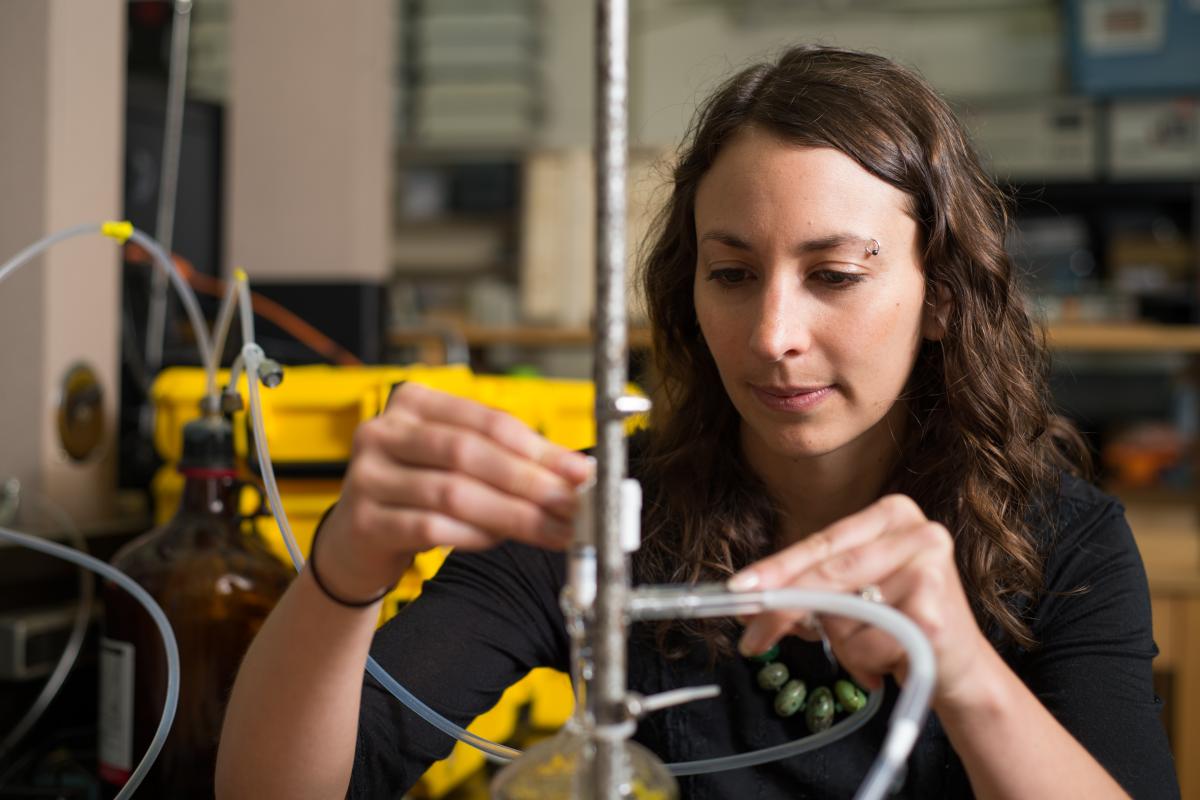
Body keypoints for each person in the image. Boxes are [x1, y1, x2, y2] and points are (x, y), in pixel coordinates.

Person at [215, 46, 1179, 799]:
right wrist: (343, 568)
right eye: (731, 274)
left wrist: (966, 674)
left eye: (835, 276)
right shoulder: (598, 520)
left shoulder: (1060, 545)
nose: (772, 335)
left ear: (942, 296)